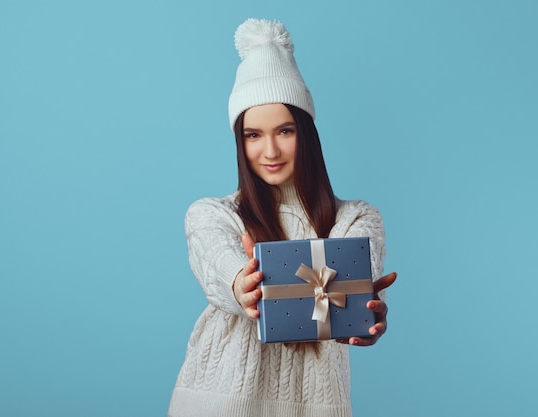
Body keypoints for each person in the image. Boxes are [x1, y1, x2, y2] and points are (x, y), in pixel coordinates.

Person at [168, 18, 397, 417]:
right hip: (221, 402)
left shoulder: (356, 219)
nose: (269, 150)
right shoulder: (214, 215)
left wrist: (360, 315)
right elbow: (218, 260)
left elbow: (357, 271)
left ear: (306, 133)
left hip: (316, 404)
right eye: (252, 135)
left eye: (285, 131)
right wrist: (243, 283)